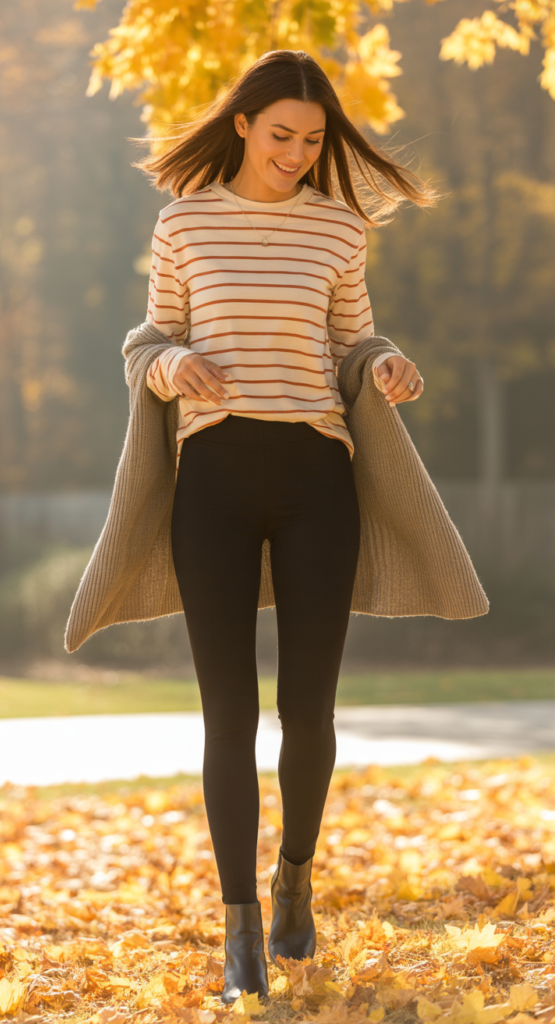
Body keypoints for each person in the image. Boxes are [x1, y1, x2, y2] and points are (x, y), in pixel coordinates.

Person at [65, 48, 488, 1005]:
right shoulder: (185, 221)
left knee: (310, 710)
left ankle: (296, 876)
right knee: (229, 715)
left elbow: (353, 340)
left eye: (313, 139)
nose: (296, 153)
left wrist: (387, 363)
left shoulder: (338, 228)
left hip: (316, 481)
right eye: (282, 135)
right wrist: (170, 367)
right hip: (211, 481)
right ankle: (241, 930)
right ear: (244, 124)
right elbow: (149, 338)